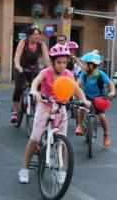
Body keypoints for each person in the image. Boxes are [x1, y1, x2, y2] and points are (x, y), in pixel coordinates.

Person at [17, 44, 90, 184]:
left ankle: (60, 169)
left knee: (63, 140)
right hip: (45, 106)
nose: (62, 65)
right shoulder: (46, 72)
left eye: (65, 62)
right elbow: (35, 82)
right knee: (35, 137)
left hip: (61, 107)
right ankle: (24, 168)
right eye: (59, 62)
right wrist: (34, 91)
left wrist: (84, 100)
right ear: (52, 62)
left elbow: (76, 89)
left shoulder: (68, 74)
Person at [75, 51, 116, 147]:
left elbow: (111, 83)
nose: (83, 66)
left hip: (99, 97)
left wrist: (112, 92)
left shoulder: (101, 74)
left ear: (92, 65)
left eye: (85, 64)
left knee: (101, 116)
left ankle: (106, 135)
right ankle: (80, 125)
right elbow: (77, 85)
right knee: (81, 109)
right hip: (86, 96)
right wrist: (74, 90)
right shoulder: (84, 74)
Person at [11, 26, 50, 124]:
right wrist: (18, 66)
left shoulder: (41, 45)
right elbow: (16, 57)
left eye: (38, 34)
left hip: (33, 68)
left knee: (39, 87)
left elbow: (47, 60)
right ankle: (15, 112)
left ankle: (36, 106)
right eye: (35, 34)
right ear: (29, 36)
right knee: (18, 88)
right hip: (21, 68)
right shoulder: (23, 42)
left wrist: (51, 70)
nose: (37, 36)